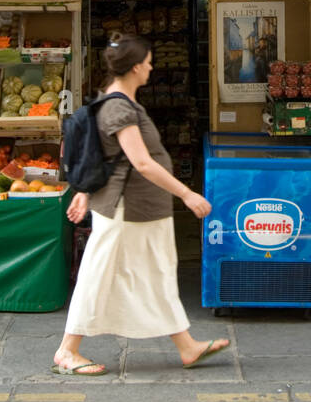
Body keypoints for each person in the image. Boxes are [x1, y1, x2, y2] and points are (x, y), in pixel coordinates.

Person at [53, 33, 231, 376]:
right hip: (126, 210)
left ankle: (187, 346)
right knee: (99, 274)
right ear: (135, 67)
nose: (152, 66)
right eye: (148, 62)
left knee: (156, 274)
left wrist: (85, 192)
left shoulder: (118, 101)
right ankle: (66, 350)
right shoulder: (119, 106)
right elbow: (142, 163)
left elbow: (107, 156)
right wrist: (187, 194)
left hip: (142, 209)